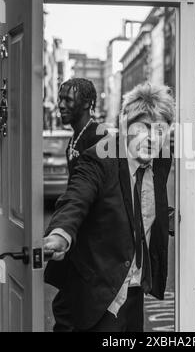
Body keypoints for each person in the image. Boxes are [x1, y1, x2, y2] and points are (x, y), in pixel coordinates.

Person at [43, 83, 174, 332]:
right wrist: (60, 233)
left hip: (133, 292)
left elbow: (136, 202)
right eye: (144, 127)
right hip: (93, 295)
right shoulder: (99, 158)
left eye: (160, 130)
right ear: (125, 125)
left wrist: (166, 215)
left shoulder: (159, 162)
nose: (153, 138)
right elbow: (76, 198)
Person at [45, 78, 106, 332]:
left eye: (68, 100)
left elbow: (86, 191)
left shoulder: (101, 137)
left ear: (88, 104)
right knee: (67, 308)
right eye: (60, 99)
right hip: (78, 238)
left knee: (78, 313)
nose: (61, 105)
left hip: (94, 244)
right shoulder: (76, 136)